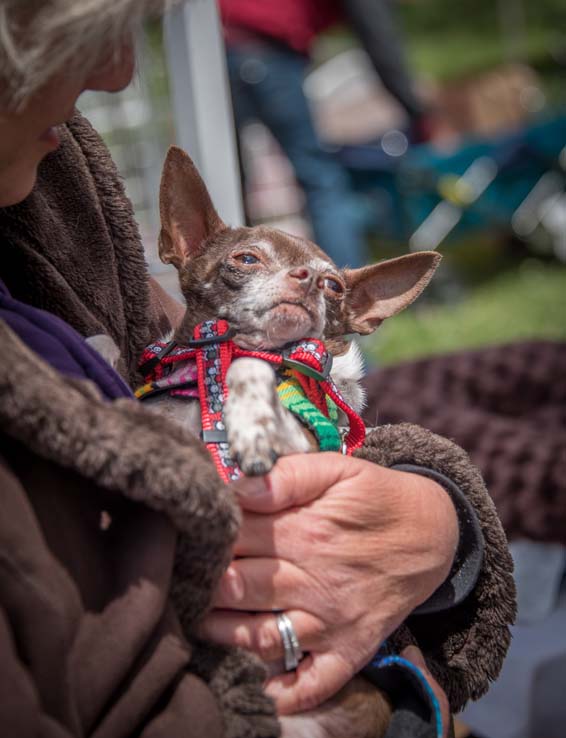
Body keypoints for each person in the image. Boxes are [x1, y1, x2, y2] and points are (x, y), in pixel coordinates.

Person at [0, 0, 515, 736]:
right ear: (185, 243)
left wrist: (442, 520)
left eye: (328, 283)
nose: (118, 72)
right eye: (46, 25)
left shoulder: (63, 192)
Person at [219, 0, 428, 268]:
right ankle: (344, 288)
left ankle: (234, 287)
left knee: (228, 186)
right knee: (321, 180)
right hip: (268, 53)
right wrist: (415, 110)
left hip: (218, 51)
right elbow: (376, 34)